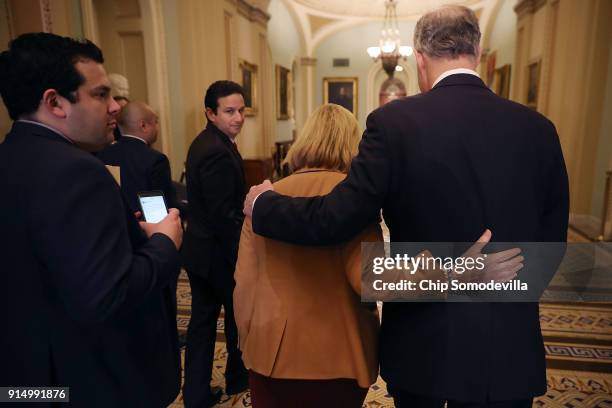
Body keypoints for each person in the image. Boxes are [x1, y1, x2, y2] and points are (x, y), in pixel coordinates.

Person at [244, 5, 569, 408]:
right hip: (507, 350)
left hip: (424, 346)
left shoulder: (393, 123)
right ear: (479, 52)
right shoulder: (539, 130)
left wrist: (264, 205)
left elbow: (336, 218)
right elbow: (552, 247)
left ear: (419, 57)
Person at [236, 104, 523, 408]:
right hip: (337, 360)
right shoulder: (351, 200)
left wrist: (252, 344)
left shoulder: (261, 199)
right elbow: (372, 279)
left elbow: (242, 285)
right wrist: (453, 274)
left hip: (267, 357)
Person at [0, 33, 183, 407]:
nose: (115, 107)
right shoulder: (77, 170)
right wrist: (164, 241)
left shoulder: (11, 158)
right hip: (89, 382)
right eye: (101, 95)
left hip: (28, 380)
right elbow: (106, 295)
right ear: (55, 102)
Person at [182, 80, 249, 407]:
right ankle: (236, 378)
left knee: (203, 322)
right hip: (216, 254)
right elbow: (224, 216)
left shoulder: (211, 141)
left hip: (201, 251)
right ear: (210, 113)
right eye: (229, 111)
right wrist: (246, 253)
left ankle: (196, 393)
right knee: (232, 319)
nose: (237, 117)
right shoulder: (215, 151)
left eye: (241, 110)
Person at [96, 101, 178, 213]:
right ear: (143, 126)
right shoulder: (156, 160)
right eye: (156, 122)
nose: (157, 127)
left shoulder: (102, 155)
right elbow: (163, 208)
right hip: (148, 227)